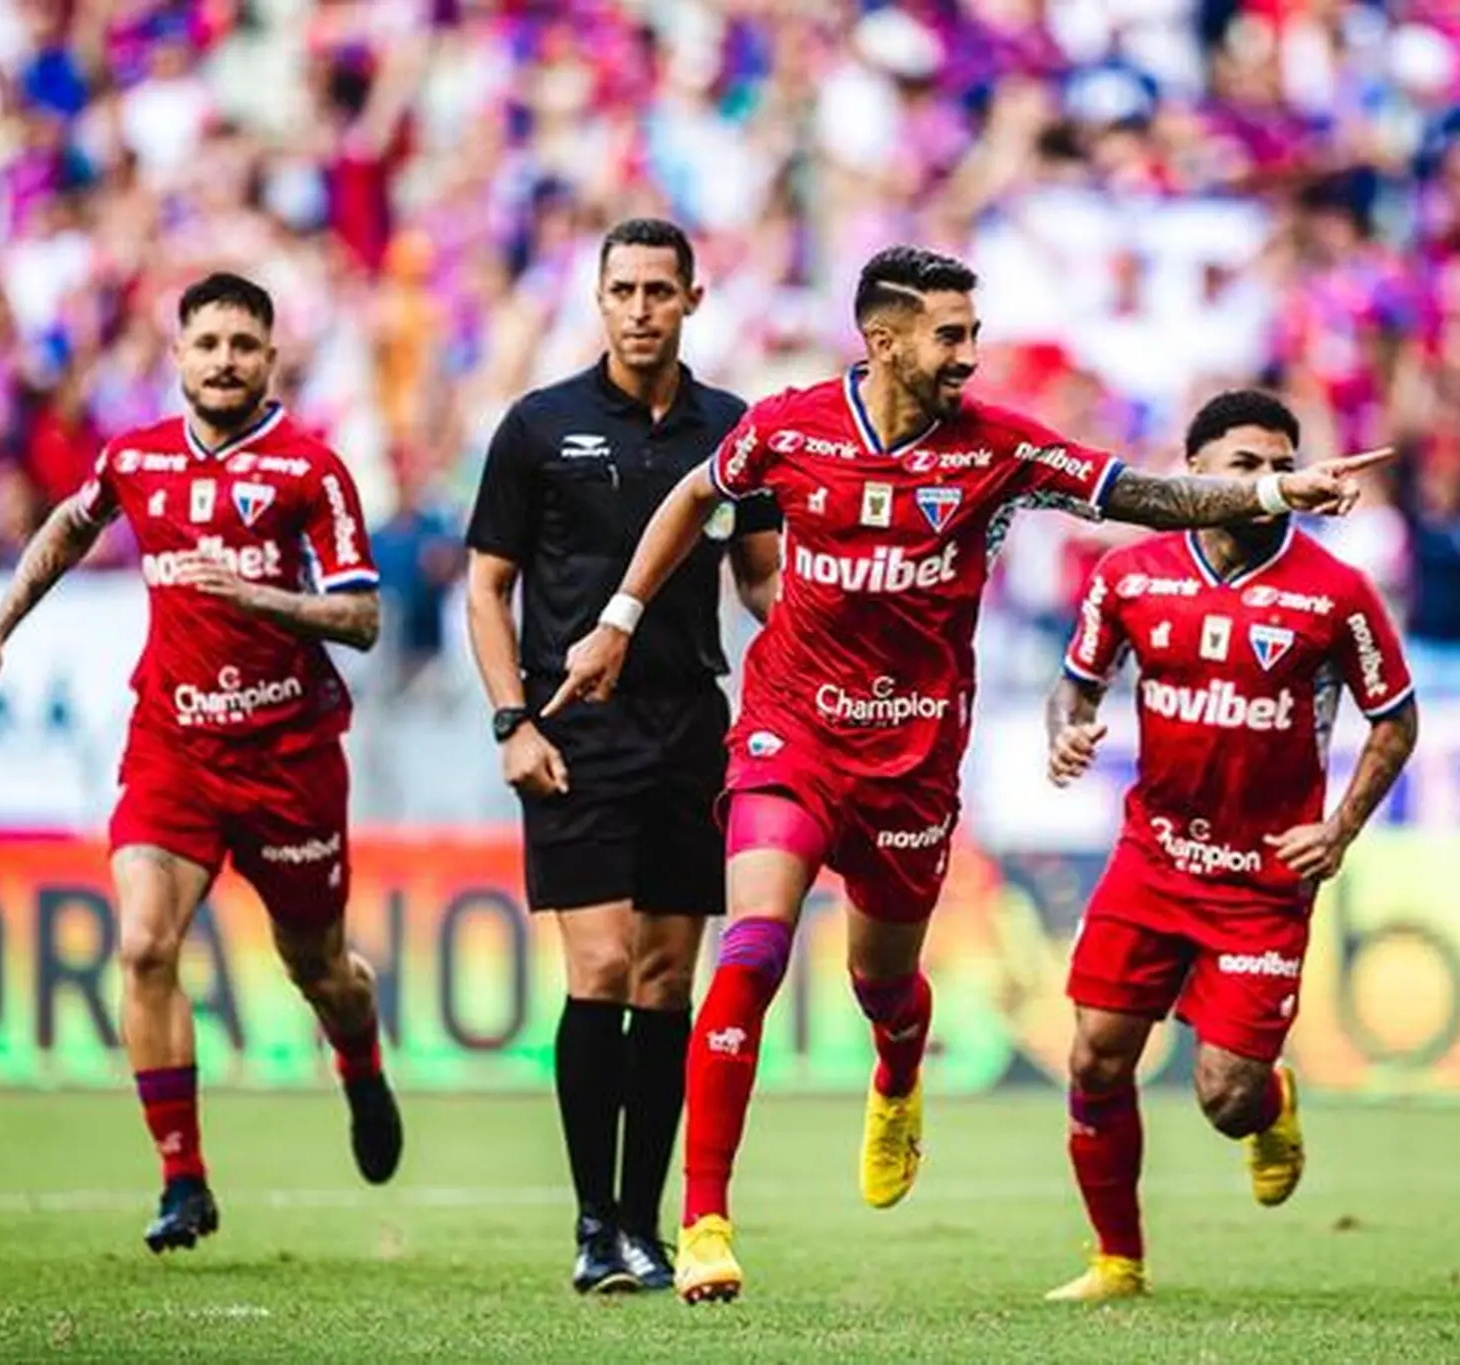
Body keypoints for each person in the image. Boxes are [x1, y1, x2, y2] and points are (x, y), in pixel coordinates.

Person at [549, 244, 1391, 1305]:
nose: (968, 355)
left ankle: (897, 1067)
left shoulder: (995, 447)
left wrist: (1268, 490)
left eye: (971, 334)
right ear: (884, 337)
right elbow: (689, 499)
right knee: (753, 944)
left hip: (911, 762)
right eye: (951, 335)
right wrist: (618, 620)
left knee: (883, 987)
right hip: (791, 732)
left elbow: (1130, 493)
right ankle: (705, 1221)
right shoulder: (787, 426)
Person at [0, 272, 401, 1252]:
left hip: (288, 757)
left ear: (270, 357)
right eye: (208, 344)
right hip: (174, 748)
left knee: (319, 970)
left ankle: (359, 1065)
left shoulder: (310, 472)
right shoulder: (135, 460)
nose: (225, 360)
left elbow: (361, 617)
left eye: (243, 344)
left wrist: (253, 596)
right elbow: (69, 529)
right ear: (179, 353)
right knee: (144, 945)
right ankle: (182, 1179)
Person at [1041, 389, 1419, 1301]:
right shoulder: (1130, 573)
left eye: (1280, 465)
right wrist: (1068, 729)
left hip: (1262, 880)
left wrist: (1339, 830)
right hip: (1153, 856)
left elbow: (1395, 721)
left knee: (1225, 1099)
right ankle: (1116, 1260)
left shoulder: (1336, 593)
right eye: (1245, 465)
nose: (1267, 482)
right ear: (1196, 469)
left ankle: (1272, 1105)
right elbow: (1076, 683)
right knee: (1094, 1055)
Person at [464, 219, 781, 1294]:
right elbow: (485, 585)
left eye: (657, 290)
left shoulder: (731, 430)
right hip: (573, 727)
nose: (638, 308)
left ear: (693, 298)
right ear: (596, 301)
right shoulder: (539, 427)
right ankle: (594, 1224)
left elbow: (759, 582)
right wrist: (514, 722)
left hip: (690, 725)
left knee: (666, 979)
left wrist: (812, 653)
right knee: (598, 968)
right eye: (620, 290)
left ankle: (646, 1225)